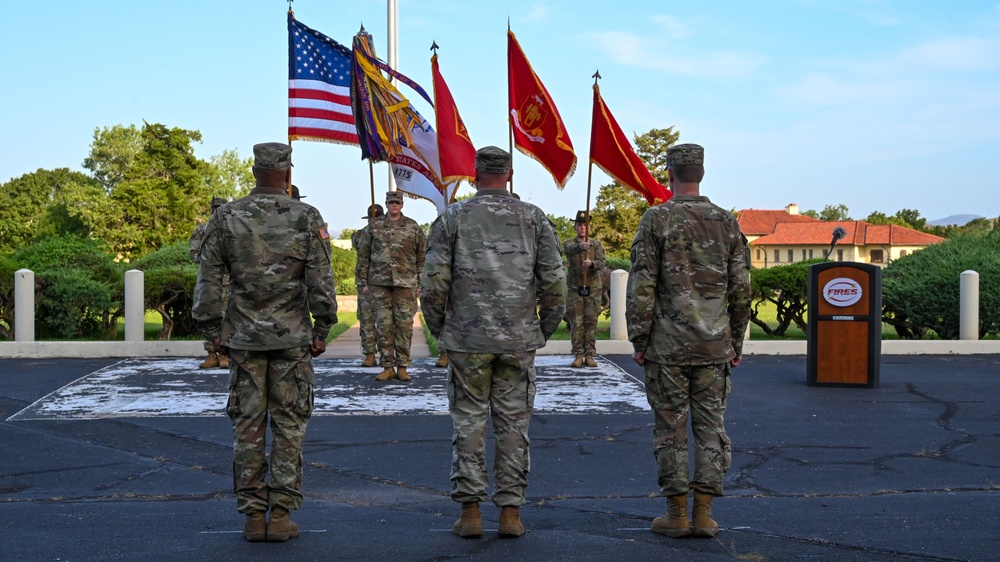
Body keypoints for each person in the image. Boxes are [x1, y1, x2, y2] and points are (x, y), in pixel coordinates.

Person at [192, 142, 338, 543]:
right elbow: (321, 283)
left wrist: (212, 335)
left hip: (243, 339)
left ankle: (253, 516)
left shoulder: (227, 216)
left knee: (248, 426)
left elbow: (208, 284)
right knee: (290, 425)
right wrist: (322, 328)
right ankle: (280, 515)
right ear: (288, 172)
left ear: (254, 171)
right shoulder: (306, 217)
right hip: (292, 339)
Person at [421, 145, 566, 539]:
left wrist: (441, 331)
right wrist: (542, 330)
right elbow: (555, 282)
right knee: (513, 425)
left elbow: (433, 283)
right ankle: (510, 514)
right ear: (510, 173)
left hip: (468, 340)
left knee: (468, 423)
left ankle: (470, 514)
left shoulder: (453, 217)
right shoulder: (534, 218)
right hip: (518, 338)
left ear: (475, 172)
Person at [625, 143, 751, 539]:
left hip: (667, 347)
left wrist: (639, 337)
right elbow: (742, 289)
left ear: (669, 174)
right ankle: (705, 514)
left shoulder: (656, 220)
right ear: (701, 173)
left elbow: (642, 284)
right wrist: (736, 342)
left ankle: (676, 514)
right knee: (711, 428)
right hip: (714, 347)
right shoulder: (726, 222)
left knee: (670, 430)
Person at [357, 191, 425, 382]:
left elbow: (421, 257)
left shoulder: (413, 227)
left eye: (397, 202)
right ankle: (388, 366)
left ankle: (403, 366)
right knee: (384, 325)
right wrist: (363, 282)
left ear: (402, 205)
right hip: (380, 282)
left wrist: (420, 282)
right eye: (391, 202)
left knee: (404, 325)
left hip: (406, 283)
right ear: (386, 205)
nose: (394, 205)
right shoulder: (374, 226)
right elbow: (364, 256)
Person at [189, 196, 229, 369]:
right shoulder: (201, 230)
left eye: (221, 208)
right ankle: (211, 354)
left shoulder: (232, 230)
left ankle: (225, 355)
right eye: (215, 208)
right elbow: (193, 255)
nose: (217, 211)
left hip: (228, 281)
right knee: (207, 315)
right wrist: (212, 258)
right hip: (208, 279)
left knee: (227, 316)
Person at [563, 210, 606, 368]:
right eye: (580, 225)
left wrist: (593, 264)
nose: (582, 228)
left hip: (592, 288)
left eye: (585, 225)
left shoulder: (596, 245)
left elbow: (602, 262)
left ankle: (590, 354)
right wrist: (580, 247)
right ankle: (578, 354)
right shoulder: (570, 243)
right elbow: (568, 250)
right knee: (576, 321)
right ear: (575, 227)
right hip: (575, 288)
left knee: (591, 321)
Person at [352, 203, 384, 367]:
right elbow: (357, 245)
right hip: (366, 282)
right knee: (366, 320)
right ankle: (370, 354)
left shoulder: (388, 234)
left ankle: (386, 353)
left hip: (384, 282)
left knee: (386, 320)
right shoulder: (360, 235)